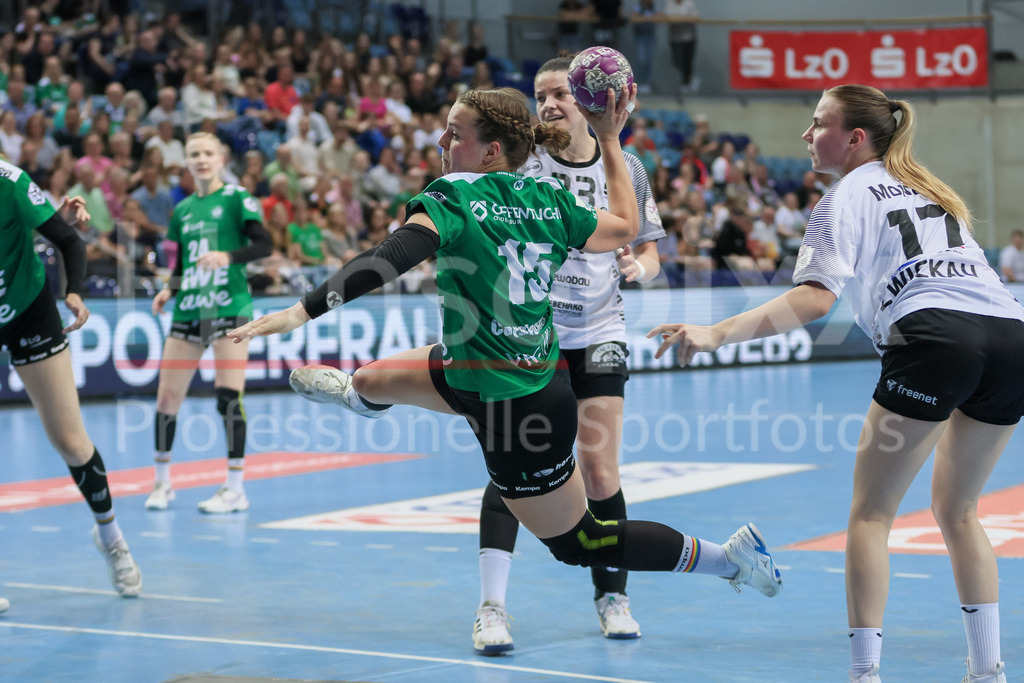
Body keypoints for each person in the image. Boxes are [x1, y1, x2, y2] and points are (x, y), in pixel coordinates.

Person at [231, 85, 783, 647]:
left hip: (519, 405)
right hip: (472, 368)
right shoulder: (549, 202)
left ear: (491, 149)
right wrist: (612, 142)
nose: (442, 141)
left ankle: (729, 561)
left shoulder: (454, 196)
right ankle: (361, 394)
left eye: (456, 134)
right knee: (371, 378)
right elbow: (624, 223)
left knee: (583, 544)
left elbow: (390, 257)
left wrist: (302, 311)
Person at [648, 84, 1023, 683]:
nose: (806, 134)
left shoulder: (846, 195)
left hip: (933, 337)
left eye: (818, 123)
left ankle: (864, 675)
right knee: (960, 510)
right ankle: (988, 672)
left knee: (871, 515)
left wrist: (714, 334)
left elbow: (814, 300)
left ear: (854, 139)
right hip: (1011, 337)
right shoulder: (931, 190)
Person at [466, 55, 666, 654]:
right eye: (541, 95)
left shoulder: (625, 165)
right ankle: (491, 605)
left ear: (586, 98)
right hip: (533, 336)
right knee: (516, 463)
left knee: (601, 468)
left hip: (601, 330)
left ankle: (612, 595)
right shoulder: (526, 165)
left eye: (559, 94)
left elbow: (649, 249)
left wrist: (639, 266)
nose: (548, 105)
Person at [0, 157, 142, 599]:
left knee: (71, 440)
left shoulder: (8, 181)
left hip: (26, 310)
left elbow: (68, 241)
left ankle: (111, 537)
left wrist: (74, 292)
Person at [145, 132, 273, 513]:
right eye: (194, 154)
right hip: (189, 308)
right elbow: (183, 264)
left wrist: (228, 257)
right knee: (167, 398)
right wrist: (170, 288)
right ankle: (162, 483)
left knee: (226, 396)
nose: (201, 159)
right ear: (186, 162)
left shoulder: (237, 198)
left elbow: (263, 245)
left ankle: (235, 488)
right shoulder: (182, 211)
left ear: (220, 158)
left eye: (207, 153)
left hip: (229, 307)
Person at [664, 0, 699, 93]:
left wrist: (679, 19)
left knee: (687, 62)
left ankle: (686, 82)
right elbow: (667, 17)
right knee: (676, 61)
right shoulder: (670, 3)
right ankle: (689, 79)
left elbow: (695, 18)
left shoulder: (689, 3)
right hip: (675, 38)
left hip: (688, 38)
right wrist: (683, 19)